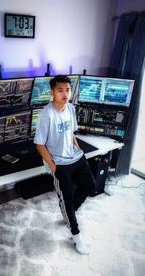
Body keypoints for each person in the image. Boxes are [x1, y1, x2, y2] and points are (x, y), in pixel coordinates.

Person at [34, 75, 96, 255]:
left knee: (90, 186)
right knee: (66, 197)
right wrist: (54, 167)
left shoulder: (70, 108)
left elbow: (71, 133)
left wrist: (78, 150)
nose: (65, 93)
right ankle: (76, 235)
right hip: (59, 163)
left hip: (75, 157)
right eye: (60, 90)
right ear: (52, 92)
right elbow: (39, 144)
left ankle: (70, 213)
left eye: (67, 90)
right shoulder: (46, 114)